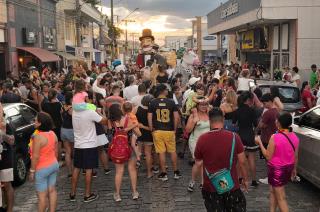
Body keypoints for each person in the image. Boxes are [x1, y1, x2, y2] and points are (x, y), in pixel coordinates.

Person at [194, 108, 248, 211]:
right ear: (223, 120)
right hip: (231, 185)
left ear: (210, 120)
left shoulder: (202, 139)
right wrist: (245, 179)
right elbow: (243, 161)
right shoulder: (234, 137)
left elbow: (198, 162)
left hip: (211, 186)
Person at [70, 80, 108, 203]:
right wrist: (99, 111)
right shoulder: (90, 111)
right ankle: (87, 194)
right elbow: (104, 121)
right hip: (90, 144)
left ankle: (72, 193)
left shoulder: (74, 110)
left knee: (77, 168)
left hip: (78, 143)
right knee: (89, 169)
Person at [256, 113, 299, 212]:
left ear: (279, 123)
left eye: (276, 120)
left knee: (281, 198)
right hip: (288, 167)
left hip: (277, 169)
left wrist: (260, 143)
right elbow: (295, 156)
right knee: (273, 192)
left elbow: (267, 156)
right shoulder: (295, 136)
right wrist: (294, 169)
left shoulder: (275, 137)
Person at [148, 83, 181, 181]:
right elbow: (176, 117)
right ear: (163, 91)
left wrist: (151, 128)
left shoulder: (152, 102)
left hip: (157, 130)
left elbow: (149, 116)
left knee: (161, 152)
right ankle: (176, 172)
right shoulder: (171, 102)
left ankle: (164, 173)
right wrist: (175, 129)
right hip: (169, 130)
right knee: (172, 151)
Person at [108, 104, 140, 202]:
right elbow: (138, 133)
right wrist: (133, 126)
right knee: (132, 170)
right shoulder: (127, 119)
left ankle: (117, 194)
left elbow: (109, 135)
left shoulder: (110, 122)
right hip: (130, 147)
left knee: (119, 172)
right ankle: (134, 192)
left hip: (117, 150)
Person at [29, 112, 59, 212]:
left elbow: (35, 156)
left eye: (35, 120)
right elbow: (56, 151)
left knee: (41, 196)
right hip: (53, 164)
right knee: (52, 190)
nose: (34, 122)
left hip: (42, 168)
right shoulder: (52, 133)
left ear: (40, 123)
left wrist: (32, 171)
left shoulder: (38, 137)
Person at [233, 91, 259, 187]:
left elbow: (234, 123)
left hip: (240, 135)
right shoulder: (252, 111)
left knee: (240, 159)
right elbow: (256, 125)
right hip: (250, 135)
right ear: (248, 100)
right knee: (251, 159)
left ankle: (239, 178)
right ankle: (254, 180)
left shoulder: (237, 110)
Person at [185, 98, 210, 192]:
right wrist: (194, 120)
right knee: (198, 162)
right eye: (202, 105)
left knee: (205, 162)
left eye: (205, 104)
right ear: (197, 106)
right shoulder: (193, 115)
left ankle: (203, 183)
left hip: (207, 142)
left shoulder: (209, 114)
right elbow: (187, 130)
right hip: (195, 141)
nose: (204, 106)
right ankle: (192, 181)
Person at [258, 93, 280, 185]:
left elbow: (261, 125)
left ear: (270, 101)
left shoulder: (268, 113)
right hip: (275, 138)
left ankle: (270, 178)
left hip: (267, 138)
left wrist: (260, 122)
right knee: (274, 159)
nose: (264, 105)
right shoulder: (277, 111)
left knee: (269, 160)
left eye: (264, 103)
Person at [60, 91, 74, 177]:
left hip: (63, 129)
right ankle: (77, 169)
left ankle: (70, 172)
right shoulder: (71, 108)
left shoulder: (63, 106)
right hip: (71, 130)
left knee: (68, 152)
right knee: (74, 151)